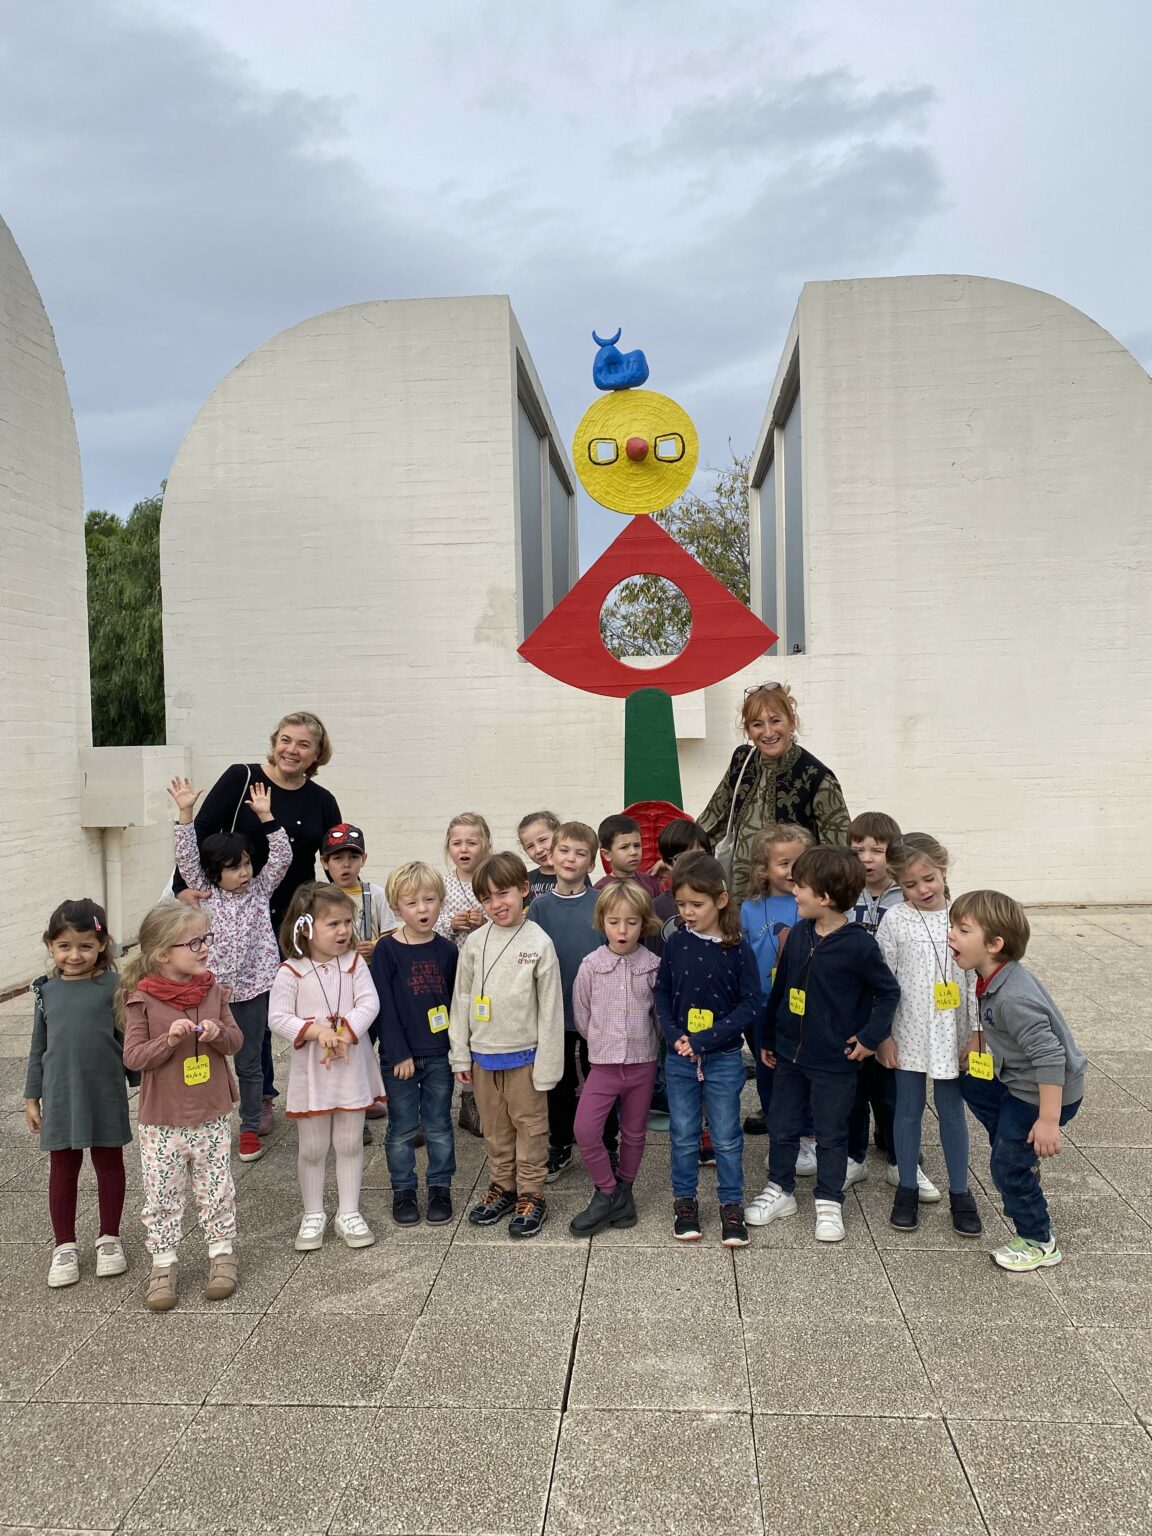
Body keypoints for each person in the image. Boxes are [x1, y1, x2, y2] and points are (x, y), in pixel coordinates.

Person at [172, 711, 341, 1136]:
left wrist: (340, 906)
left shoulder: (322, 800)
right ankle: (261, 1096)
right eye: (286, 740)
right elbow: (201, 835)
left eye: (303, 744)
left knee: (312, 1000)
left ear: (317, 754)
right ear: (274, 741)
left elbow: (330, 856)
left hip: (295, 913)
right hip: (237, 912)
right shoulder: (242, 778)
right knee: (254, 1018)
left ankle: (332, 1085)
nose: (292, 750)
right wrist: (183, 888)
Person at [747, 846, 899, 1244]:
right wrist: (768, 1037)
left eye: (802, 886)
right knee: (782, 1125)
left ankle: (829, 1200)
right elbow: (781, 989)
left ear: (826, 897)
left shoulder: (860, 945)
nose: (795, 891)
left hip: (835, 1060)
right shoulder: (798, 933)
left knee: (831, 1133)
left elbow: (888, 993)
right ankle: (780, 1190)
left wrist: (870, 1037)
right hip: (789, 1055)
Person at [949, 890, 1087, 1272]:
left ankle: (1038, 1240)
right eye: (952, 926)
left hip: (1043, 1093)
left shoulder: (1014, 998)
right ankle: (1015, 1148)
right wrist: (977, 1047)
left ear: (994, 945)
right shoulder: (990, 977)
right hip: (1019, 1081)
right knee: (972, 1085)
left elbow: (1051, 1058)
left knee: (1006, 1168)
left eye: (963, 930)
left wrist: (1048, 1121)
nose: (951, 935)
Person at [121, 902, 244, 1311]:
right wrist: (168, 1041)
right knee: (162, 1194)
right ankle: (163, 1263)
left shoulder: (213, 990)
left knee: (216, 1187)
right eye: (194, 942)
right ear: (162, 953)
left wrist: (218, 1032)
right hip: (162, 1118)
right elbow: (134, 1057)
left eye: (206, 939)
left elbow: (235, 1042)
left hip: (211, 1110)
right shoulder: (141, 1000)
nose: (204, 947)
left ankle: (221, 1253)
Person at [169, 775, 290, 1166]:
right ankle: (204, 1122)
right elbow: (187, 856)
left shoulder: (260, 890)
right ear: (214, 872)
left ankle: (250, 1126)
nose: (244, 872)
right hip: (209, 993)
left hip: (252, 992)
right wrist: (185, 813)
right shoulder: (204, 895)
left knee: (250, 1062)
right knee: (202, 1058)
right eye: (234, 868)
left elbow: (282, 857)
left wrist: (267, 817)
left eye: (247, 864)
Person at [448, 852, 564, 1239]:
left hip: (526, 1058)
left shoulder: (539, 943)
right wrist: (460, 1054)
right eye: (487, 898)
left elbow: (550, 1010)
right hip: (483, 1057)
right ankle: (503, 1184)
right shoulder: (475, 943)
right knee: (495, 1128)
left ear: (523, 889)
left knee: (530, 1128)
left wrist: (548, 1066)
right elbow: (462, 1000)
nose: (496, 904)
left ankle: (531, 1191)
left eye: (504, 893)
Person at [655, 853, 763, 1247]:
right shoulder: (676, 943)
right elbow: (662, 991)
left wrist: (704, 1039)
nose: (687, 912)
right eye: (681, 904)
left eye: (696, 904)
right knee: (684, 1133)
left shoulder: (738, 949)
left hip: (723, 1058)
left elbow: (750, 1005)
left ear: (720, 900)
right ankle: (685, 1201)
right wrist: (673, 1034)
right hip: (680, 1057)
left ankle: (731, 1204)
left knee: (726, 1135)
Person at [269, 882, 384, 1252]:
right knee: (313, 1147)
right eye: (333, 923)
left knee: (349, 1142)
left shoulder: (355, 964)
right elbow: (278, 1017)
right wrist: (318, 1032)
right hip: (312, 1071)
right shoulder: (291, 971)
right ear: (305, 927)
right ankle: (313, 1213)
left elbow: (369, 1003)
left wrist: (345, 1034)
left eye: (348, 922)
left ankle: (348, 1212)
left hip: (350, 1066)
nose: (343, 930)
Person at [24, 899, 132, 1290]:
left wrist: (145, 1082)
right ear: (50, 945)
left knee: (109, 1165)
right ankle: (64, 1245)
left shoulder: (115, 987)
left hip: (105, 1092)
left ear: (102, 945)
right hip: (60, 1094)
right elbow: (38, 1047)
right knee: (63, 1169)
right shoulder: (46, 991)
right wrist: (31, 1097)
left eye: (85, 946)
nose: (74, 955)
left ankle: (110, 1238)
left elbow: (129, 1038)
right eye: (64, 946)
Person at [876, 835, 980, 1236]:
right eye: (910, 884)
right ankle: (907, 1186)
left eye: (929, 879)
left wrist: (977, 1034)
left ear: (943, 871)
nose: (922, 889)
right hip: (908, 1030)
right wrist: (883, 1035)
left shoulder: (963, 917)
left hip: (952, 1032)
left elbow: (976, 981)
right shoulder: (896, 919)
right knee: (907, 1108)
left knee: (952, 1110)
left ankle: (960, 1191)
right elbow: (882, 981)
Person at [698, 683, 850, 901]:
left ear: (792, 721)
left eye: (776, 721)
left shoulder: (815, 776)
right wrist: (676, 856)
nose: (768, 732)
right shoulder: (742, 761)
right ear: (748, 730)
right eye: (757, 724)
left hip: (795, 904)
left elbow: (839, 854)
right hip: (739, 898)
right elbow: (712, 820)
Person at [569, 882, 662, 1236]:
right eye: (614, 922)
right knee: (585, 1129)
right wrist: (601, 1043)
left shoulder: (652, 967)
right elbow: (582, 1016)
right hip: (604, 1066)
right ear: (602, 922)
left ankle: (625, 1191)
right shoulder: (591, 967)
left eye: (632, 922)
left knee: (634, 1132)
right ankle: (607, 1192)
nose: (622, 930)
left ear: (644, 923)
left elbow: (658, 1019)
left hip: (642, 1063)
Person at [370, 861, 459, 1227]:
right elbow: (383, 1006)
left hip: (440, 1055)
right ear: (396, 908)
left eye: (429, 900)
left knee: (439, 1124)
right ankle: (403, 1188)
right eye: (412, 903)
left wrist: (459, 1053)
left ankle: (439, 1185)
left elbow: (456, 1003)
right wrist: (398, 1053)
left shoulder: (448, 951)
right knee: (402, 1128)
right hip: (401, 1058)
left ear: (441, 901)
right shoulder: (387, 950)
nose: (422, 909)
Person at [527, 820, 614, 1183]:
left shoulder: (601, 903)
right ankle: (560, 1144)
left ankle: (608, 1144)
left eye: (580, 854)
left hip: (597, 1012)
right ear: (551, 855)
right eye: (564, 850)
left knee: (601, 1080)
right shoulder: (539, 907)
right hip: (554, 1011)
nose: (570, 858)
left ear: (591, 863)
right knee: (559, 1084)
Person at [739, 823, 813, 1142]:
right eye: (784, 864)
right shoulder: (750, 908)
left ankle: (809, 1132)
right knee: (767, 1067)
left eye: (799, 862)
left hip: (806, 1005)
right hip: (763, 1004)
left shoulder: (813, 902)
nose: (792, 870)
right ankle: (775, 1121)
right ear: (763, 869)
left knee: (803, 1068)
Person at [845, 811, 905, 1185]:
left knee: (891, 1087)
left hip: (894, 1007)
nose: (866, 859)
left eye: (876, 850)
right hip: (854, 1004)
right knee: (854, 1086)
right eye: (857, 851)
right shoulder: (845, 892)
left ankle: (900, 1153)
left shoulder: (906, 896)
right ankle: (855, 1155)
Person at [434, 812, 492, 1139]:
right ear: (448, 847)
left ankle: (483, 1095)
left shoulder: (492, 879)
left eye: (471, 842)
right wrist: (450, 924)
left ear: (485, 845)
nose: (464, 848)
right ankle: (467, 1099)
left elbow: (506, 917)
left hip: (486, 971)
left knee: (481, 1030)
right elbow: (427, 923)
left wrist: (485, 924)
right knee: (458, 1033)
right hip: (451, 971)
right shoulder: (442, 884)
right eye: (457, 843)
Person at [320, 823, 396, 959]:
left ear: (363, 859)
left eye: (354, 857)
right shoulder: (321, 898)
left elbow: (391, 933)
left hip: (370, 967)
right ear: (324, 862)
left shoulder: (377, 894)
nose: (346, 864)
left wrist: (376, 946)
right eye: (338, 858)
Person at [595, 814, 661, 897]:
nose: (633, 852)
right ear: (607, 854)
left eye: (637, 845)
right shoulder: (601, 890)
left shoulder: (650, 883)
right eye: (624, 847)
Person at [518, 810, 561, 900]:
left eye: (543, 840)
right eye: (530, 846)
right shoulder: (527, 880)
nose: (538, 850)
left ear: (559, 836)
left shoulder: (574, 875)